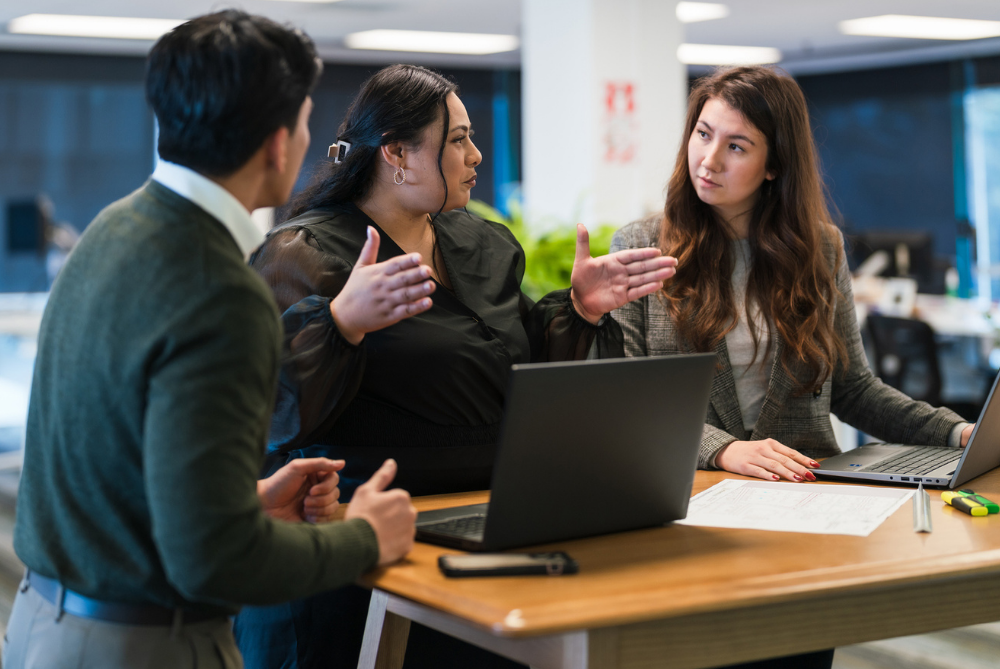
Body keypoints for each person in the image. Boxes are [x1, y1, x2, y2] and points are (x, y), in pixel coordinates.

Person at [5, 12, 423, 669]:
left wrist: (242, 501)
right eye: (307, 120)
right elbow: (215, 560)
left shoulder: (112, 227)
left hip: (43, 621)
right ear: (277, 145)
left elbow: (114, 473)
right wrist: (366, 538)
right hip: (140, 643)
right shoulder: (223, 290)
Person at [236, 63, 677, 668]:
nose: (475, 156)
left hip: (485, 532)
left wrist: (580, 308)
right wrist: (343, 324)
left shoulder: (481, 243)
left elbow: (515, 371)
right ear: (396, 152)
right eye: (458, 139)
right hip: (365, 544)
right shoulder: (306, 254)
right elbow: (271, 415)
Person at [609, 65, 973, 669]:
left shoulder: (820, 249)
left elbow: (853, 387)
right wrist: (724, 449)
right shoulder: (641, 247)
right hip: (693, 511)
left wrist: (955, 433)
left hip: (808, 516)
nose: (709, 159)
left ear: (774, 165)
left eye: (737, 146)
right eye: (703, 134)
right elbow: (626, 402)